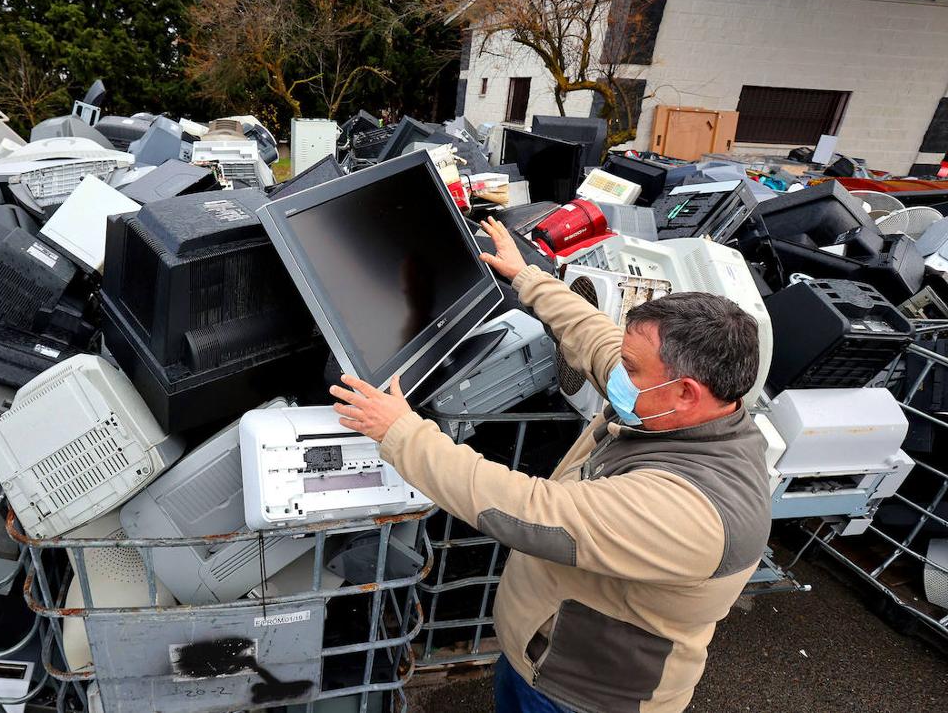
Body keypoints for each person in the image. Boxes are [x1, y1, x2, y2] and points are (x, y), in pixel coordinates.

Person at [330, 217, 771, 713]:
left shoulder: (692, 512)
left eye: (631, 369)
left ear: (686, 392)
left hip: (577, 694)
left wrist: (399, 431)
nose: (617, 374)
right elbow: (596, 338)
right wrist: (528, 279)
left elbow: (527, 509)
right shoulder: (676, 407)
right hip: (541, 657)